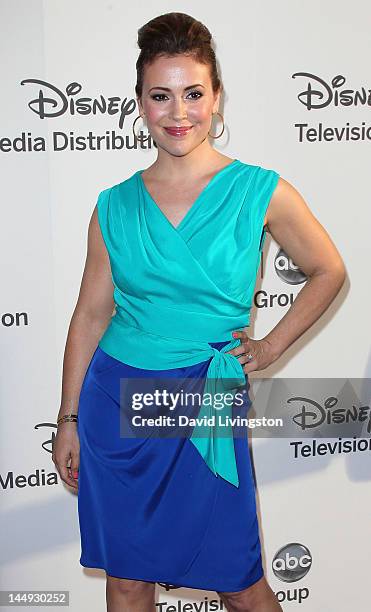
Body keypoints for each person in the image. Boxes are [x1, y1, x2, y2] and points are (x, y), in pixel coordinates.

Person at [52, 11, 346, 612]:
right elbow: (88, 318)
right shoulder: (114, 206)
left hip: (207, 400)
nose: (178, 112)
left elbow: (329, 271)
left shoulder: (260, 190)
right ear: (139, 102)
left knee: (237, 580)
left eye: (193, 94)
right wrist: (69, 418)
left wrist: (268, 349)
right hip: (119, 401)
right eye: (161, 96)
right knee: (128, 579)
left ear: (216, 98)